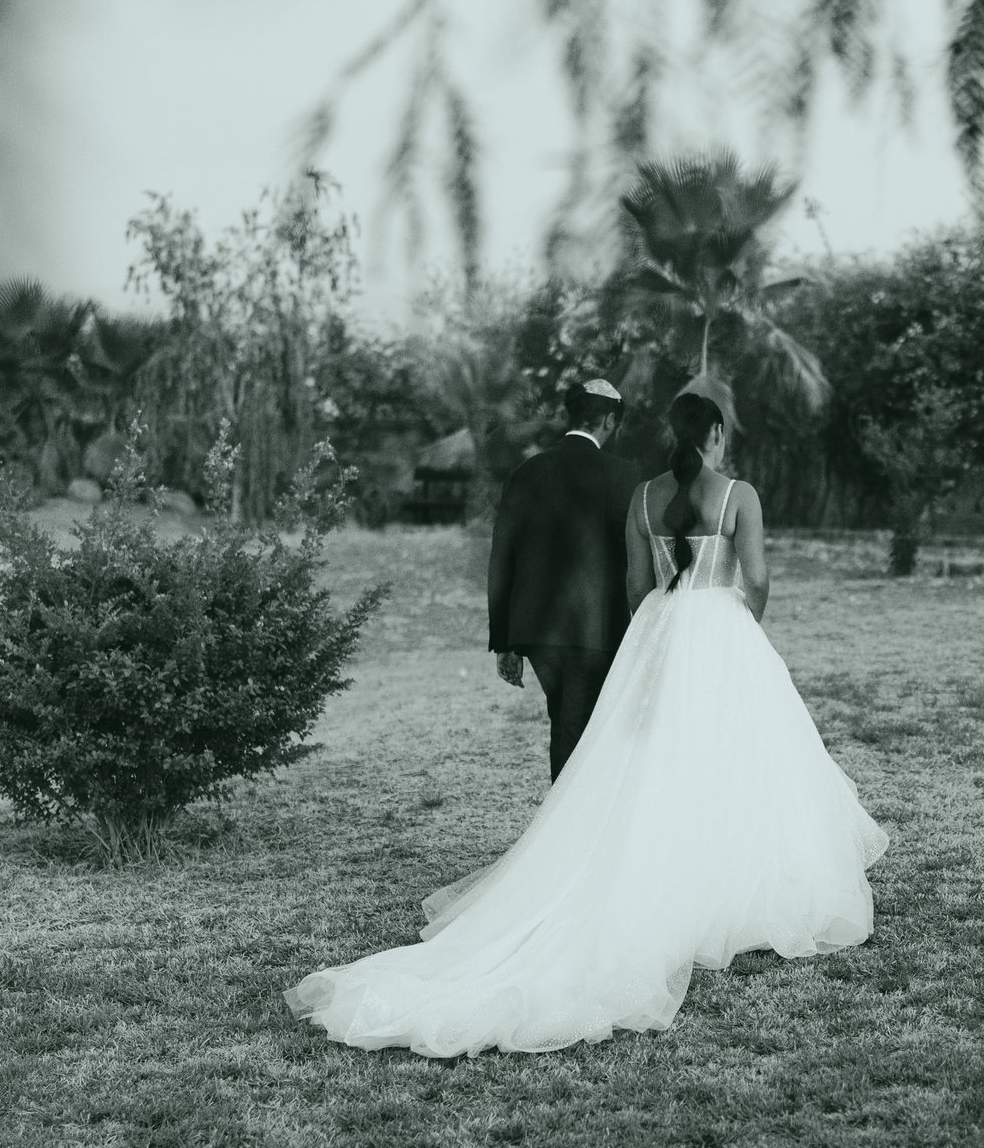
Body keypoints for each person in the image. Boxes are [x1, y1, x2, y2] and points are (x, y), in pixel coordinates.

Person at [285, 390, 888, 1057]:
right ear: (714, 434)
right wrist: (739, 623)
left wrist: (657, 632)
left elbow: (635, 584)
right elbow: (760, 576)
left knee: (642, 758)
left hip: (658, 626)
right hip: (722, 624)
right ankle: (724, 883)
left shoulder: (643, 497)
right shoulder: (738, 493)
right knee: (737, 752)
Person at [487, 378, 642, 781]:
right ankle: (568, 829)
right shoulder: (622, 475)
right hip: (593, 629)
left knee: (568, 720)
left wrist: (505, 642)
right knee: (576, 727)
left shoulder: (525, 473)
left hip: (534, 631)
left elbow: (502, 558)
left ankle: (572, 821)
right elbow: (632, 556)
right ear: (609, 420)